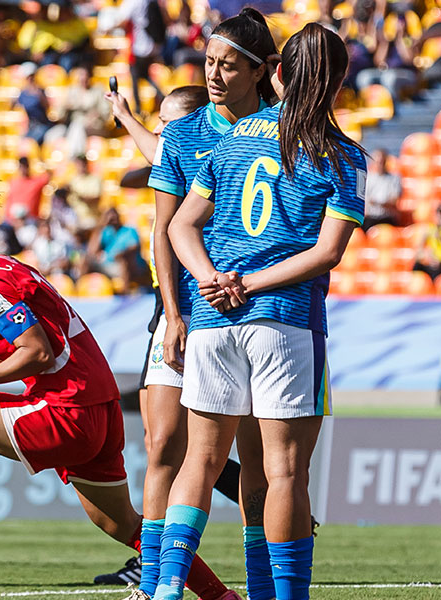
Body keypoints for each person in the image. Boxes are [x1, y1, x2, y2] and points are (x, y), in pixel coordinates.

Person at [0, 171, 230, 600]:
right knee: (122, 525)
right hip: (97, 409)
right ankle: (221, 597)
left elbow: (38, 355)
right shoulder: (3, 271)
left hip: (71, 408)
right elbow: (41, 350)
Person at [163, 23, 367, 600]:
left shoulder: (232, 138)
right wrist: (247, 283)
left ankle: (168, 590)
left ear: (276, 72)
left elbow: (182, 224)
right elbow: (327, 252)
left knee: (199, 463)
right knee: (282, 473)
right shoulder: (343, 154)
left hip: (213, 319)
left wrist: (212, 282)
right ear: (338, 82)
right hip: (284, 320)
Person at [112, 9, 277, 600]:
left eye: (226, 64)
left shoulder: (283, 129)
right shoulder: (184, 135)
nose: (212, 73)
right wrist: (175, 315)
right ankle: (157, 582)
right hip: (190, 312)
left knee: (257, 467)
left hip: (263, 312)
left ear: (259, 73)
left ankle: (258, 585)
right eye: (207, 61)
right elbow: (165, 230)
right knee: (168, 448)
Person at [95, 84, 247, 588]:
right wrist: (125, 114)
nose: (160, 130)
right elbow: (155, 152)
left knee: (207, 449)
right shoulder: (177, 153)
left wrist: (128, 116)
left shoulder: (215, 147)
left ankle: (267, 544)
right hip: (173, 311)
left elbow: (158, 147)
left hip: (222, 311)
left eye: (167, 121)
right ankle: (154, 574)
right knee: (163, 445)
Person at [362, 148, 401, 231]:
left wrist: (377, 203)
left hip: (387, 218)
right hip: (370, 218)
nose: (380, 164)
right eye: (378, 161)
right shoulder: (367, 179)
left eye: (382, 161)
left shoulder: (394, 178)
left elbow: (394, 201)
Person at [5, 156, 50, 222]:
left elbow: (48, 176)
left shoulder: (36, 182)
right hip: (14, 220)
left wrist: (42, 162)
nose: (23, 169)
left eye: (25, 166)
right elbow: (9, 201)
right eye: (21, 166)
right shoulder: (13, 182)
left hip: (30, 220)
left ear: (28, 167)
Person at [412, 204, 441, 281]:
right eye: (439, 213)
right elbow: (418, 253)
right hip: (431, 263)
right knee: (417, 265)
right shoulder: (428, 230)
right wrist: (426, 257)